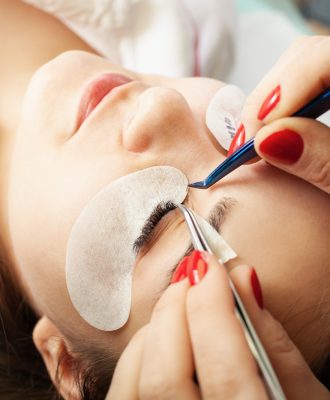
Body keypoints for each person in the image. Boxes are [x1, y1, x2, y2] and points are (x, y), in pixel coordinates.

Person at [0, 1, 329, 399]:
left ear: (67, 363)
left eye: (153, 219)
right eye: (232, 131)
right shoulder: (190, 19)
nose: (162, 103)